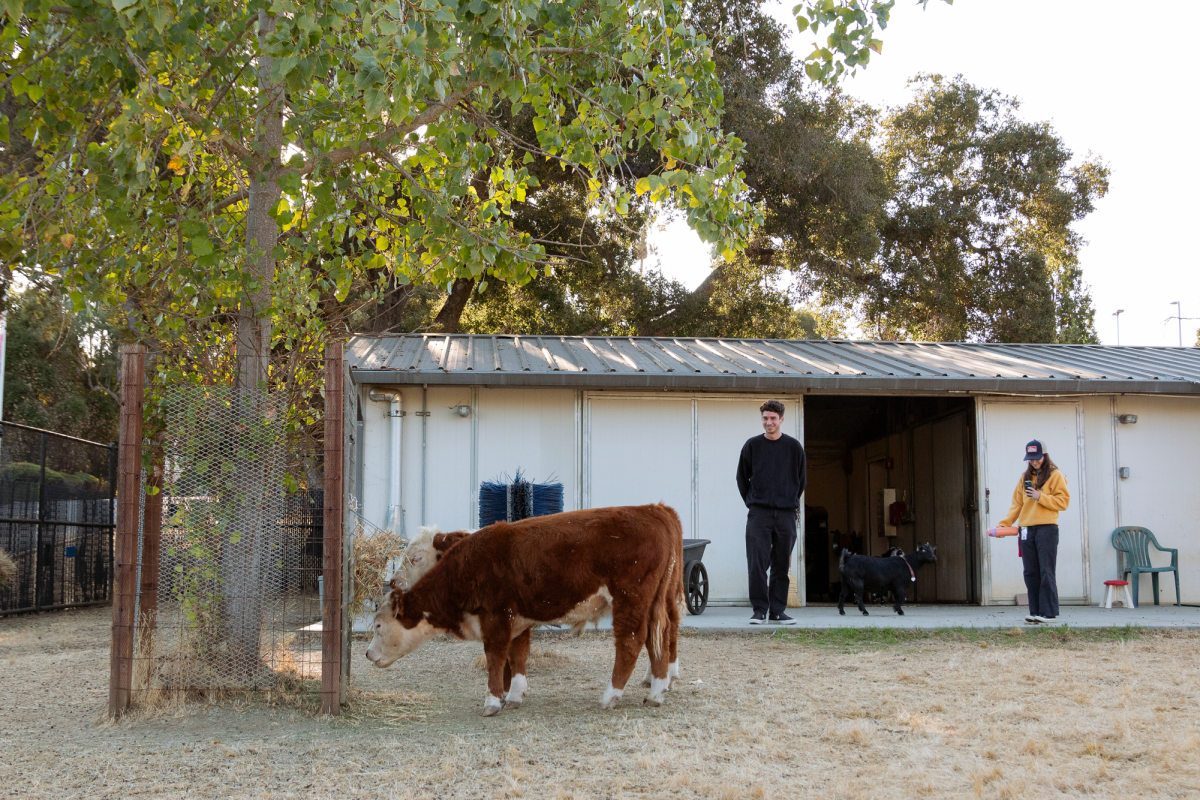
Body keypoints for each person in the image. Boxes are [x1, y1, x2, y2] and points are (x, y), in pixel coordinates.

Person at [736, 399, 807, 625]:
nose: (769, 422)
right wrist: (752, 503)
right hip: (759, 514)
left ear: (781, 419)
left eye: (773, 418)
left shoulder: (794, 447)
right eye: (765, 418)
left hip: (786, 514)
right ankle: (759, 610)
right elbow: (741, 478)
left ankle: (778, 611)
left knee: (780, 564)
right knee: (757, 563)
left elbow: (801, 480)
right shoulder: (752, 446)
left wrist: (791, 501)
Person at [996, 439, 1070, 624]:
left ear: (1044, 455)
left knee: (1046, 570)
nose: (1034, 462)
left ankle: (1049, 613)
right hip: (1026, 529)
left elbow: (1063, 502)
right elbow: (1017, 505)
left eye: (1037, 458)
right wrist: (1004, 525)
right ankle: (1035, 611)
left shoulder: (1055, 475)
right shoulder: (1025, 477)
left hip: (1047, 528)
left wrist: (1040, 497)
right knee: (1030, 571)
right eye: (1031, 458)